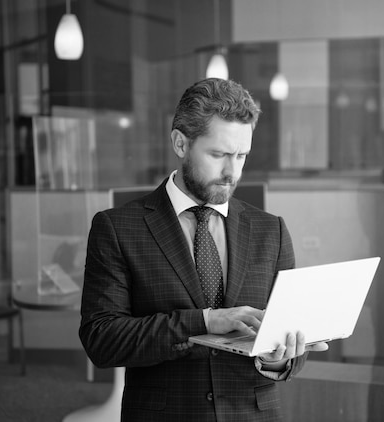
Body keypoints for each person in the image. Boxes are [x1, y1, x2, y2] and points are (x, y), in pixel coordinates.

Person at [79, 78, 327, 422]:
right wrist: (205, 321)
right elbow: (102, 340)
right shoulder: (119, 228)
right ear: (181, 143)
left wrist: (280, 358)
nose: (232, 172)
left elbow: (287, 339)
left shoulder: (272, 230)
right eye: (219, 154)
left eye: (241, 156)